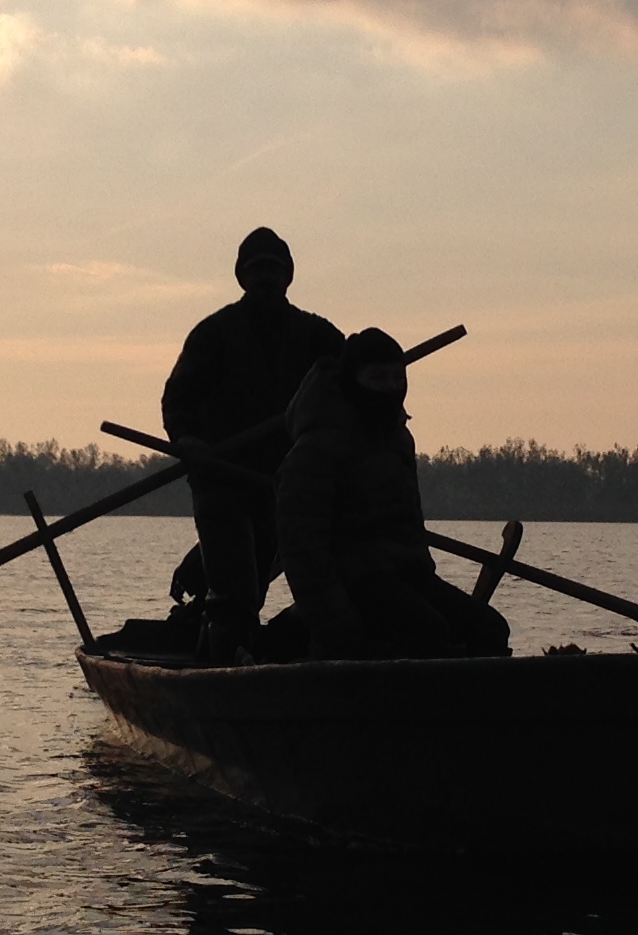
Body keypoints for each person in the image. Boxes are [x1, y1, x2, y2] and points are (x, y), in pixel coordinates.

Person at [276, 328, 511, 661]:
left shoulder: (398, 440)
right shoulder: (316, 449)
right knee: (427, 632)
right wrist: (336, 624)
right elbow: (302, 551)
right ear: (352, 380)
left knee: (490, 630)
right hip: (353, 581)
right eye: (377, 377)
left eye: (396, 377)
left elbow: (408, 526)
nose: (389, 387)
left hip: (406, 574)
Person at [162, 227, 343, 658]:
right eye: (257, 268)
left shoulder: (319, 337)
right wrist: (188, 441)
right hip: (220, 480)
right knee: (235, 595)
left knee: (265, 579)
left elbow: (354, 389)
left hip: (285, 483)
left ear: (289, 276)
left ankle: (237, 648)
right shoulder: (214, 333)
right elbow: (179, 398)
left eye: (275, 268)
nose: (266, 277)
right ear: (242, 276)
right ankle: (217, 671)